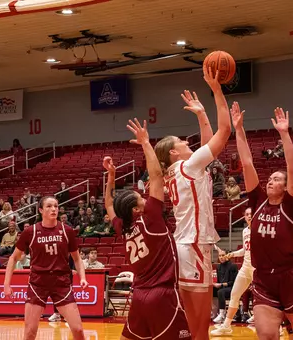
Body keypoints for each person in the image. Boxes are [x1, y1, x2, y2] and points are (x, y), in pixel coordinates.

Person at [153, 67, 230, 339]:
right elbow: (225, 131)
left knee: (199, 325)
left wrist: (201, 113)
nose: (188, 143)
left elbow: (206, 147)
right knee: (199, 327)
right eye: (182, 142)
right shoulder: (188, 166)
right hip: (192, 245)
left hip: (188, 244)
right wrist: (217, 90)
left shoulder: (181, 169)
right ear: (174, 152)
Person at [232, 103, 293, 340]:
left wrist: (284, 134)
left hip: (290, 277)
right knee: (266, 336)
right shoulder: (257, 201)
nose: (270, 180)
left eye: (276, 179)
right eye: (270, 178)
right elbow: (247, 163)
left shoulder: (290, 205)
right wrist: (239, 130)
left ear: (286, 186)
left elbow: (292, 169)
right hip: (263, 278)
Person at [104, 118, 191, 340]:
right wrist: (145, 143)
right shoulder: (151, 219)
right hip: (162, 295)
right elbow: (156, 176)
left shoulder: (122, 227)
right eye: (140, 198)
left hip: (139, 296)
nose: (144, 198)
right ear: (135, 209)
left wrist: (111, 177)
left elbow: (108, 205)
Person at [3, 196, 88, 340]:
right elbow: (13, 258)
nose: (53, 209)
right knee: (30, 332)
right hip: (38, 283)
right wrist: (6, 284)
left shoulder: (67, 231)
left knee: (78, 329)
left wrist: (83, 278)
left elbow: (77, 258)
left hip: (61, 282)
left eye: (55, 206)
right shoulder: (30, 231)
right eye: (49, 206)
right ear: (41, 210)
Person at [211, 208, 255, 335]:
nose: (249, 216)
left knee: (265, 297)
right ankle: (226, 326)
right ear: (244, 217)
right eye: (246, 214)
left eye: (251, 214)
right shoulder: (244, 231)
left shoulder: (258, 229)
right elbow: (245, 250)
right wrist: (231, 255)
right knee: (234, 294)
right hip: (245, 267)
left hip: (256, 267)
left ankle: (277, 326)